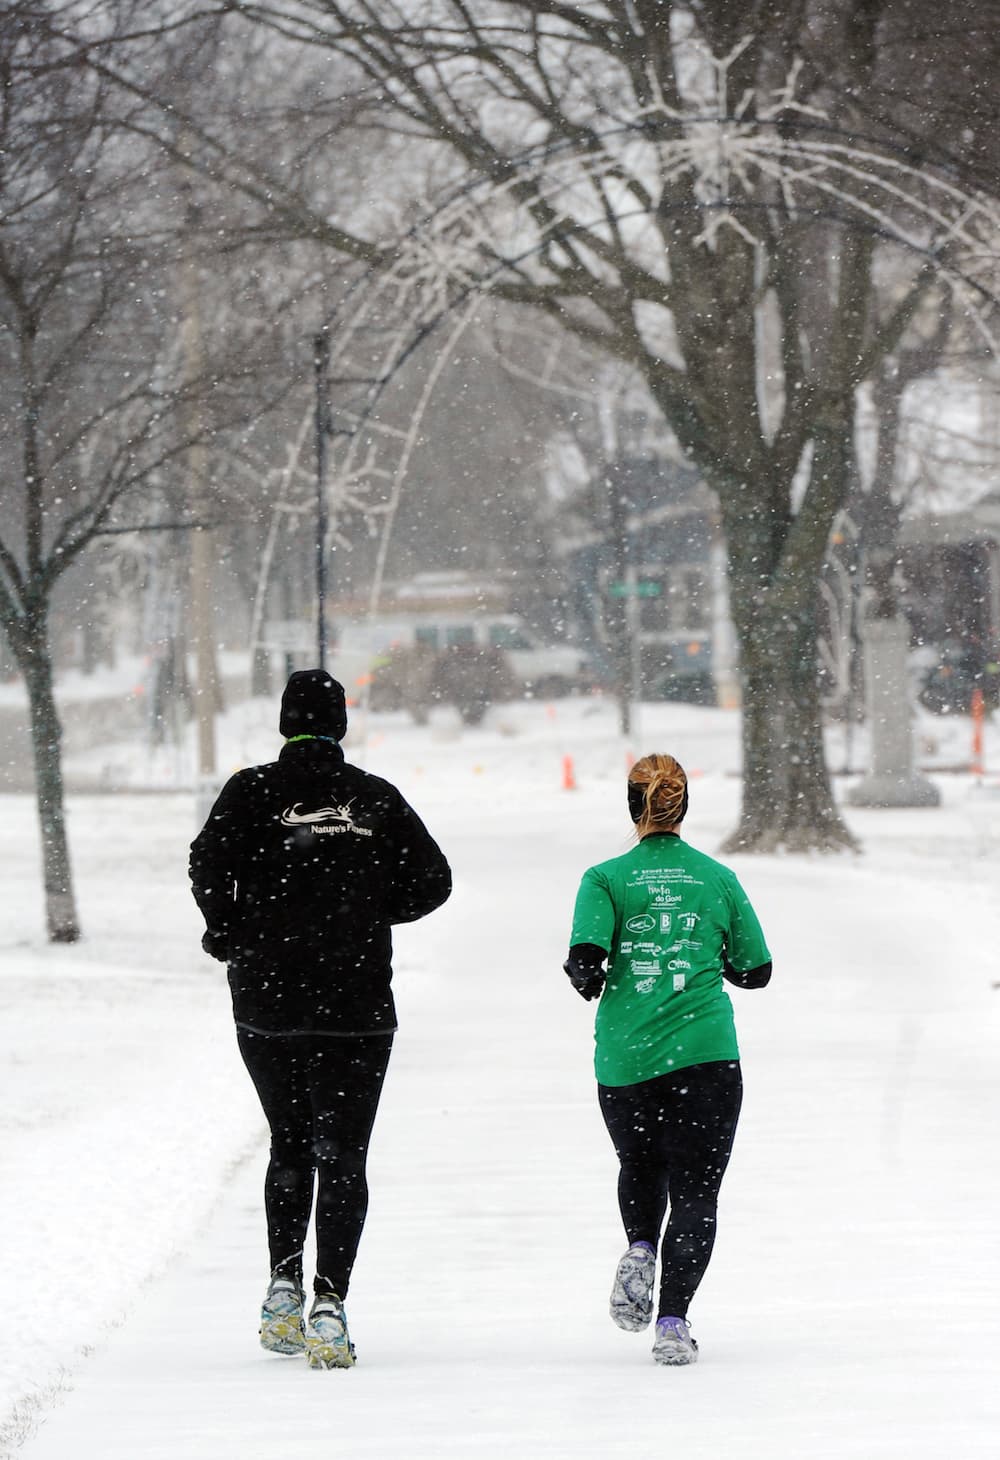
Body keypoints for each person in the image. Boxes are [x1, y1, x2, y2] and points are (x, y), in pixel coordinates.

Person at [190, 668, 451, 1368]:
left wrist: (229, 929)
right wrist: (368, 912)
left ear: (285, 722)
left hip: (268, 1001)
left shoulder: (249, 792)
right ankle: (330, 1304)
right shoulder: (373, 797)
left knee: (290, 1144)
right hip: (356, 1004)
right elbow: (434, 881)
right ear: (339, 725)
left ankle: (282, 1286)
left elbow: (206, 861)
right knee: (344, 1156)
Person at [564, 752, 771, 1366]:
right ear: (683, 806)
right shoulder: (716, 878)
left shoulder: (604, 878)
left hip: (628, 1057)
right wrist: (720, 962)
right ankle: (674, 1322)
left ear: (633, 807)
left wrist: (592, 970)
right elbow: (757, 970)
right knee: (697, 1194)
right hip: (705, 1056)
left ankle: (639, 1247)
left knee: (640, 1162)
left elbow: (584, 960)